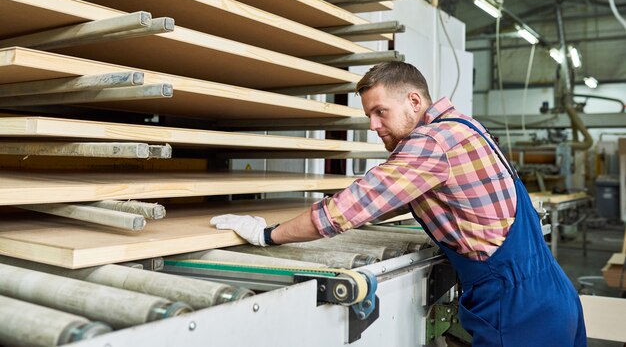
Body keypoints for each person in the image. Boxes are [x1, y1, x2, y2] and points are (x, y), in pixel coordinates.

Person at [211, 61, 586, 347]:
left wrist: (267, 234)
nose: (373, 125)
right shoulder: (464, 127)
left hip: (516, 308)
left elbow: (349, 208)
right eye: (368, 116)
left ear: (413, 100)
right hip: (552, 294)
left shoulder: (430, 142)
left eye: (380, 112)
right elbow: (399, 196)